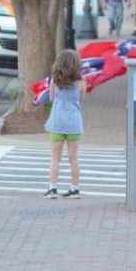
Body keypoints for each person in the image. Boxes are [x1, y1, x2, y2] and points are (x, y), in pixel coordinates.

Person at [43, 50, 86, 199]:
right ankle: (74, 189)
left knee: (56, 157)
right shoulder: (81, 83)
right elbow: (80, 101)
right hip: (74, 122)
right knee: (73, 157)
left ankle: (52, 189)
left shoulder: (55, 81)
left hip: (57, 122)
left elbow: (51, 98)